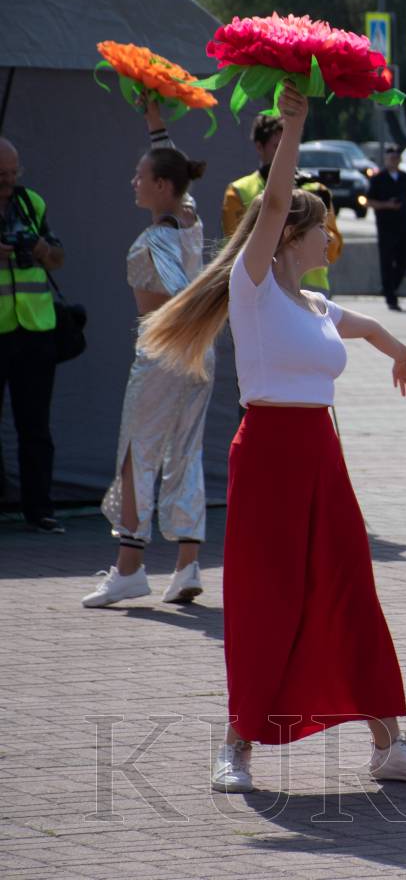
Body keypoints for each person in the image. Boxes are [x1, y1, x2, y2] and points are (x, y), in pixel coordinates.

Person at [138, 84, 406, 794]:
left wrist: (397, 344)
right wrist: (298, 127)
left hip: (320, 456)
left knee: (350, 589)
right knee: (265, 596)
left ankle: (390, 745)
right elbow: (275, 204)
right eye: (323, 230)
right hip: (269, 454)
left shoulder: (313, 303)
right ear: (288, 238)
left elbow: (360, 329)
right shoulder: (254, 286)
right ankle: (236, 747)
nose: (330, 238)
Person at [83, 102, 214, 608]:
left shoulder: (157, 238)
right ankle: (186, 565)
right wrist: (155, 123)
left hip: (164, 352)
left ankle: (130, 567)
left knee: (138, 452)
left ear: (161, 186)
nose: (132, 182)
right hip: (197, 356)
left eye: (140, 176)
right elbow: (175, 170)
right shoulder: (190, 218)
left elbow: (181, 294)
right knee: (185, 452)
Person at [0, 136, 66, 533]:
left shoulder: (31, 203)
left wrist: (39, 247)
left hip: (35, 329)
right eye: (0, 176)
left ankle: (39, 509)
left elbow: (58, 259)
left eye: (12, 173)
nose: (8, 182)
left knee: (35, 425)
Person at [222, 113, 342, 291]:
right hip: (263, 291)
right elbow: (236, 250)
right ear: (259, 147)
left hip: (313, 291)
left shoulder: (318, 191)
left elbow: (332, 252)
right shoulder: (239, 191)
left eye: (293, 146)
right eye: (277, 147)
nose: (288, 154)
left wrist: (317, 221)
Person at [367, 144, 406, 312]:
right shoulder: (378, 178)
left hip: (403, 225)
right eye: (391, 157)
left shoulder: (405, 178)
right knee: (387, 261)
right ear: (386, 159)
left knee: (403, 260)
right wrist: (387, 205)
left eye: (396, 157)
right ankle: (390, 297)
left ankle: (391, 286)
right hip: (386, 226)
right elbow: (369, 201)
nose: (394, 160)